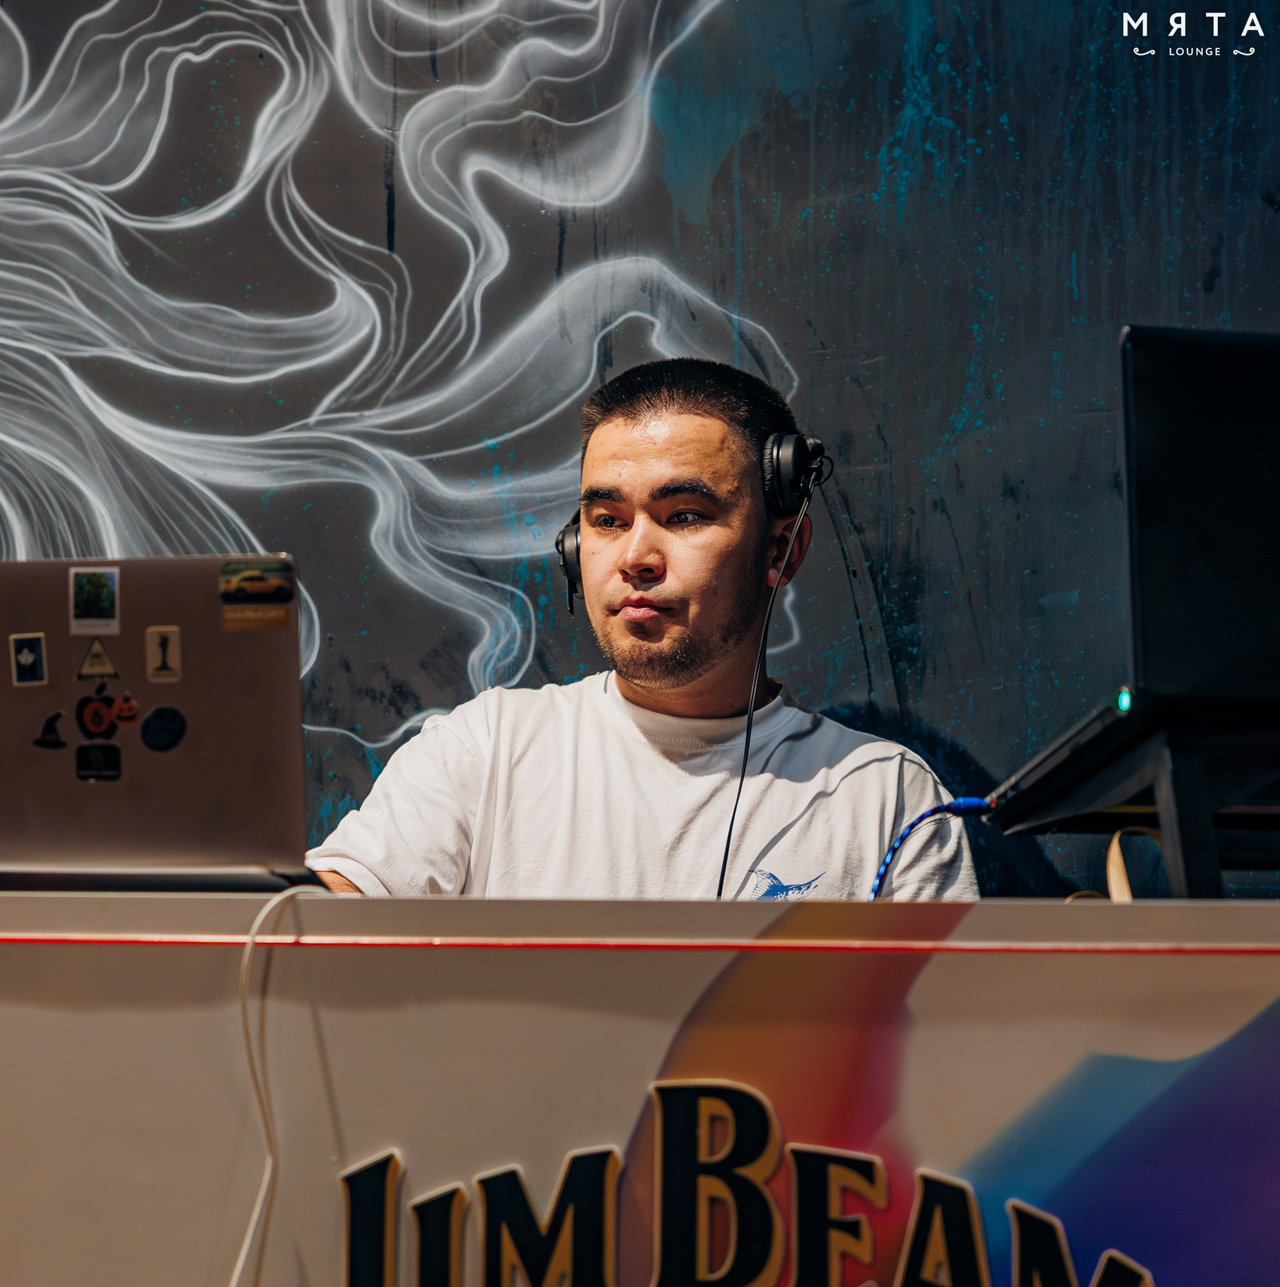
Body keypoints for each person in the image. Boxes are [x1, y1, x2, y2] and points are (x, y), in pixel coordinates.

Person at [308, 358, 977, 901]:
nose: (634, 557)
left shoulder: (884, 797)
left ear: (779, 550)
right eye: (607, 520)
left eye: (684, 515)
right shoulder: (484, 750)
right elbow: (314, 923)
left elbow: (942, 1026)